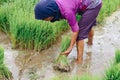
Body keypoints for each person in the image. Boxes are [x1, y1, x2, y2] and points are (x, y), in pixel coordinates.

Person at [34, 0, 102, 64]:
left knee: (80, 35)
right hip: (85, 3)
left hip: (93, 4)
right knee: (88, 25)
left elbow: (76, 31)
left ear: (49, 14)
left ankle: (79, 62)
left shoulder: (67, 11)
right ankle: (90, 45)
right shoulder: (56, 5)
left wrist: (70, 48)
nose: (44, 20)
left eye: (44, 18)